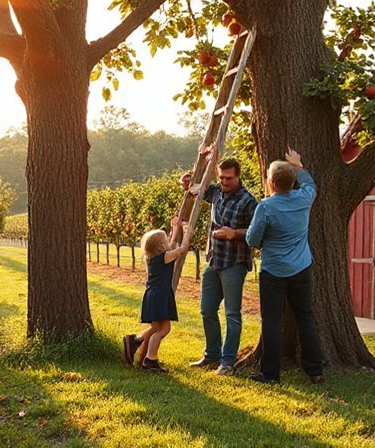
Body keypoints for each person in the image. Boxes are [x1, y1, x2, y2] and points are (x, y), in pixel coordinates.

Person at [245, 147, 325, 384]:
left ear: (270, 182)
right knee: (305, 317)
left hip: (274, 270)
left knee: (272, 320)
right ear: (293, 182)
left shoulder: (266, 207)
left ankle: (270, 373)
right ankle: (315, 370)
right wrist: (298, 165)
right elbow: (310, 184)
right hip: (301, 267)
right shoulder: (304, 198)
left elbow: (252, 239)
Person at [182, 146, 258, 375]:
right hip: (214, 260)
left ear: (238, 176)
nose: (224, 181)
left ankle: (227, 361)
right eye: (221, 177)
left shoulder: (248, 201)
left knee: (232, 313)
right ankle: (211, 354)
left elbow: (257, 231)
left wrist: (234, 233)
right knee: (206, 310)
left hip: (234, 262)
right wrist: (187, 182)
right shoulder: (216, 192)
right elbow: (197, 187)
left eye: (229, 178)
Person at [122, 217, 193, 372]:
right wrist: (187, 233)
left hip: (151, 294)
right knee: (163, 329)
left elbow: (172, 245)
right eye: (166, 239)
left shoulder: (153, 258)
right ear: (161, 246)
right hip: (161, 295)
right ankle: (150, 359)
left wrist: (175, 230)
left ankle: (135, 341)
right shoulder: (166, 256)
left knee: (155, 327)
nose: (169, 240)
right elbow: (182, 249)